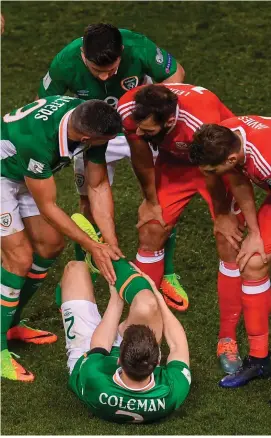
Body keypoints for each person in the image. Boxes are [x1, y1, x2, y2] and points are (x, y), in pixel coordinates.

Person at [37, 22, 185, 298]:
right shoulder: (65, 62)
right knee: (86, 200)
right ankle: (80, 270)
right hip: (95, 133)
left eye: (113, 70)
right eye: (97, 71)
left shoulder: (138, 46)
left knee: (161, 196)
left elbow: (176, 74)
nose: (106, 77)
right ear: (83, 56)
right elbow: (45, 103)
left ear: (122, 53)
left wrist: (153, 115)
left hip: (138, 126)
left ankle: (168, 272)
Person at [117, 83, 245, 374]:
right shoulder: (130, 110)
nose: (139, 133)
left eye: (149, 131)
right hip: (175, 166)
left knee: (229, 243)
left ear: (170, 122)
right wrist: (150, 201)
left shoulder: (202, 122)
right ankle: (140, 328)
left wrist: (223, 213)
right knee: (151, 229)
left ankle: (227, 338)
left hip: (218, 166)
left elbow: (215, 168)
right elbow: (140, 152)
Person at [1, 95, 122, 381]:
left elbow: (97, 184)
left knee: (51, 245)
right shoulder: (38, 140)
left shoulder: (92, 117)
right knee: (18, 258)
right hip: (4, 175)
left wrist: (110, 240)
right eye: (102, 140)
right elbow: (49, 207)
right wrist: (91, 244)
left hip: (24, 172)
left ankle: (11, 323)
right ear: (84, 136)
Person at [59, 216, 191, 423]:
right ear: (157, 361)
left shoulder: (93, 376)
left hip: (87, 353)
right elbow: (178, 345)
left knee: (74, 270)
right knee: (148, 302)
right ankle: (99, 255)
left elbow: (100, 346)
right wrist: (157, 296)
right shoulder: (170, 393)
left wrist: (116, 298)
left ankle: (94, 254)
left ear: (119, 358)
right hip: (128, 359)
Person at [189, 115, 271, 387]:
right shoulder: (230, 134)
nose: (208, 176)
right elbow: (239, 181)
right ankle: (260, 360)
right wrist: (255, 233)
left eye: (211, 171)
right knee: (254, 262)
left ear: (231, 159)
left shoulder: (264, 159)